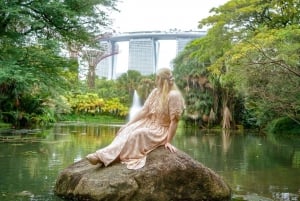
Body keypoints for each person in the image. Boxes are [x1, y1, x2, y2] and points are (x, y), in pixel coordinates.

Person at [86, 67, 185, 170]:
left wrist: (168, 141)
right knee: (128, 130)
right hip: (148, 123)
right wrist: (128, 124)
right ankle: (104, 154)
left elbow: (174, 121)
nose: (155, 80)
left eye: (157, 78)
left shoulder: (174, 96)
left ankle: (103, 157)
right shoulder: (156, 92)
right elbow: (144, 111)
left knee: (137, 134)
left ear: (162, 80)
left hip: (160, 130)